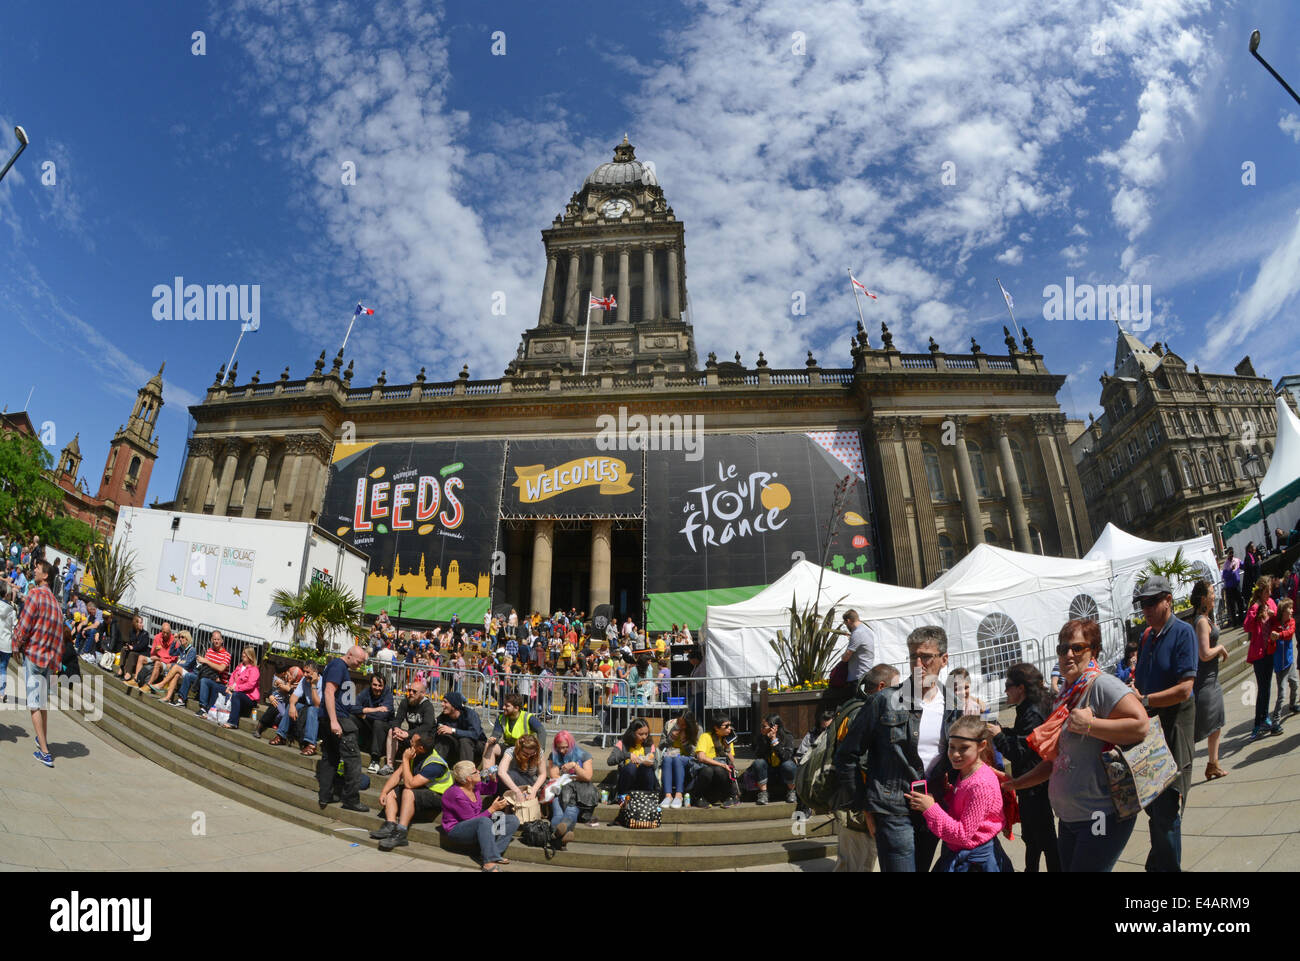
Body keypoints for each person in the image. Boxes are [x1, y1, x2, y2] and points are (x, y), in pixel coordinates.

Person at [1003, 618, 1149, 871]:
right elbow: (1055, 761)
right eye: (1063, 649)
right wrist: (1016, 784)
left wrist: (1092, 725)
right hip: (1070, 818)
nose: (1068, 654)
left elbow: (1141, 725)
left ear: (1094, 650)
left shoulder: (1101, 685)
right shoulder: (1066, 694)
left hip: (1099, 816)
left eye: (1077, 648)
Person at [832, 625, 961, 872]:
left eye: (926, 657)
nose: (919, 664)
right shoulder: (884, 700)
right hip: (891, 806)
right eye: (913, 657)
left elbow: (958, 758)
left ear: (944, 660)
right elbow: (847, 755)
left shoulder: (954, 705)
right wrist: (864, 805)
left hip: (931, 805)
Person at [1129, 575, 1198, 872]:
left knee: (1168, 808)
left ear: (1168, 600)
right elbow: (1140, 681)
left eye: (1152, 602)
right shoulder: (1147, 637)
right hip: (1150, 732)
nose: (1146, 608)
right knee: (1155, 807)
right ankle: (1158, 864)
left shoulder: (1183, 632)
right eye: (1142, 603)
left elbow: (1185, 689)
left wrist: (1145, 700)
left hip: (1174, 728)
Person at [906, 716, 1010, 872]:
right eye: (952, 747)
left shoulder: (980, 784)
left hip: (974, 862)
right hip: (961, 853)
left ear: (981, 746)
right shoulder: (966, 773)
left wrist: (930, 808)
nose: (955, 754)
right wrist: (948, 793)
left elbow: (962, 834)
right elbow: (963, 807)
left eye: (964, 748)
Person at [989, 663, 1058, 872]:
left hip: (1035, 785)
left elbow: (1019, 753)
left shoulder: (1032, 711)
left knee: (1046, 840)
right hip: (1033, 783)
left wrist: (998, 736)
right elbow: (1023, 738)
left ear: (1021, 688)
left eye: (1008, 685)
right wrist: (1004, 731)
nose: (1005, 690)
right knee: (1033, 838)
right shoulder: (1030, 706)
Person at [12, 559, 63, 767]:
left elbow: (25, 623)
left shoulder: (35, 595)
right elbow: (60, 635)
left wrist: (16, 644)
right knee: (42, 702)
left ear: (45, 576)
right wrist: (56, 662)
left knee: (34, 704)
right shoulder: (56, 603)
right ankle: (43, 739)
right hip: (49, 659)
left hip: (34, 655)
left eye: (37, 569)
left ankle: (45, 751)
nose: (34, 570)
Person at [370, 730, 452, 851]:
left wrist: (405, 759)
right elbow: (398, 775)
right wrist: (384, 792)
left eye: (412, 742)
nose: (410, 743)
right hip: (421, 789)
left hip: (438, 796)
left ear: (421, 748)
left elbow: (410, 784)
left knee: (408, 792)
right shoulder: (415, 753)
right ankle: (390, 825)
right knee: (392, 791)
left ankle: (401, 833)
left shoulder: (435, 764)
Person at [316, 644, 370, 813]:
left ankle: (326, 795)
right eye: (359, 661)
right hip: (337, 719)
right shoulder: (338, 666)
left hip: (332, 717)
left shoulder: (338, 666)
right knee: (353, 759)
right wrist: (333, 721)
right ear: (349, 655)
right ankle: (351, 799)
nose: (359, 665)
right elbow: (329, 692)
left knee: (330, 757)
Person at [437, 761, 519, 870]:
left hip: (477, 823)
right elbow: (471, 819)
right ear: (468, 778)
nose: (479, 772)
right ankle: (488, 863)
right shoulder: (455, 794)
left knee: (512, 820)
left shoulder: (474, 786)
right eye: (475, 771)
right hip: (458, 830)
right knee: (484, 821)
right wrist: (492, 809)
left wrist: (493, 781)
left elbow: (489, 790)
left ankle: (494, 853)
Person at [1190, 580, 1230, 780]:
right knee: (1199, 727)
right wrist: (1220, 648)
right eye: (1212, 593)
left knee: (1215, 723)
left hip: (1211, 679)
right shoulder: (1201, 621)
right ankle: (1180, 769)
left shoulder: (1205, 618)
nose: (1215, 595)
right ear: (1203, 597)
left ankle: (1212, 764)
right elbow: (1204, 654)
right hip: (1205, 681)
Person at [1245, 578, 1280, 740]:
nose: (1269, 594)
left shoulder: (1271, 603)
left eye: (1270, 591)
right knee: (1262, 688)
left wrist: (1273, 616)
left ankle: (1264, 718)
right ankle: (1258, 722)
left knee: (1266, 687)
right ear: (1260, 592)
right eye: (1267, 592)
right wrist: (1258, 613)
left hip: (1270, 651)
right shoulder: (1256, 607)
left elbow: (1278, 622)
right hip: (1259, 654)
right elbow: (1247, 626)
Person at [548, 730, 597, 841]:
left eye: (565, 747)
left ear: (571, 745)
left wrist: (574, 766)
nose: (561, 750)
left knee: (571, 811)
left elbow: (588, 776)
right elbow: (553, 775)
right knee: (558, 814)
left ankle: (555, 836)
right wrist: (572, 776)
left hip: (577, 793)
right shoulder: (554, 755)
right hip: (559, 790)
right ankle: (563, 837)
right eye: (558, 747)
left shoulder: (584, 755)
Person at [381, 678, 438, 774]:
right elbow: (397, 719)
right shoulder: (405, 702)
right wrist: (397, 728)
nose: (410, 693)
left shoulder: (428, 706)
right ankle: (389, 765)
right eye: (409, 690)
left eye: (414, 691)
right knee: (392, 731)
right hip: (411, 736)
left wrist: (408, 733)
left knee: (416, 738)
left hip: (424, 739)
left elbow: (427, 726)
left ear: (422, 694)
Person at [482, 692, 547, 771]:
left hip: (524, 749)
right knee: (489, 745)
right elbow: (496, 735)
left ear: (516, 708)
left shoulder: (528, 717)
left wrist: (539, 750)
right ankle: (488, 775)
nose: (503, 707)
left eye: (507, 706)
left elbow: (542, 731)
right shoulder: (501, 718)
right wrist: (492, 739)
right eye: (504, 705)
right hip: (509, 747)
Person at [270, 662, 322, 751]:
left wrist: (313, 685)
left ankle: (311, 745)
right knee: (293, 704)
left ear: (315, 672)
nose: (304, 674)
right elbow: (294, 695)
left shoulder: (322, 682)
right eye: (304, 671)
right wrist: (292, 706)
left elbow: (317, 705)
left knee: (312, 710)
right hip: (308, 706)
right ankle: (281, 735)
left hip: (320, 709)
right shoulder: (304, 680)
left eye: (308, 672)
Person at [692, 713, 739, 808]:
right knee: (709, 770)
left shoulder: (728, 739)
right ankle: (698, 798)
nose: (729, 728)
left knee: (719, 770)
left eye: (730, 725)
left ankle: (730, 797)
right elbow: (701, 757)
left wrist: (727, 748)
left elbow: (731, 760)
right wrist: (721, 764)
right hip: (707, 772)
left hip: (721, 775)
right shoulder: (705, 736)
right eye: (726, 726)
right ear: (716, 728)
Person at [608, 717, 659, 800]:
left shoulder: (649, 745)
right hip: (627, 780)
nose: (644, 737)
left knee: (647, 769)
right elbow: (610, 761)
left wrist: (650, 762)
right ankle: (623, 795)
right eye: (641, 734)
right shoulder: (622, 743)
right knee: (631, 766)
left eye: (646, 734)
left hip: (644, 780)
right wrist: (627, 755)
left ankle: (649, 795)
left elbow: (656, 764)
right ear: (632, 733)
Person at [751, 714, 798, 805]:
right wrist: (766, 740)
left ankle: (791, 791)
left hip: (783, 771)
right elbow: (758, 755)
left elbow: (786, 757)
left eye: (764, 726)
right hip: (768, 772)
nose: (761, 728)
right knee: (758, 763)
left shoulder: (787, 737)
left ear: (774, 727)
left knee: (789, 765)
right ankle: (763, 793)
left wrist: (774, 740)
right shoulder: (761, 737)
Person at [659, 710, 699, 808]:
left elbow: (697, 753)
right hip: (671, 756)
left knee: (678, 759)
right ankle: (668, 795)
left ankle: (679, 795)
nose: (680, 726)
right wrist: (670, 738)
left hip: (688, 759)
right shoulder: (669, 725)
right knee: (667, 759)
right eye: (678, 723)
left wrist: (685, 742)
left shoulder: (697, 729)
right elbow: (660, 746)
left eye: (683, 725)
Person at [433, 691, 485, 767]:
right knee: (443, 738)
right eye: (442, 702)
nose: (442, 704)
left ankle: (466, 771)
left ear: (454, 705)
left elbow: (475, 734)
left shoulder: (470, 714)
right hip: (458, 746)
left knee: (464, 740)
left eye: (445, 702)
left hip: (478, 744)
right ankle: (434, 768)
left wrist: (453, 730)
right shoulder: (443, 716)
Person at [355, 674, 394, 772]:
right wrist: (373, 709)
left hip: (384, 727)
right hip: (369, 725)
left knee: (378, 722)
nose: (377, 688)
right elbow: (352, 708)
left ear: (384, 686)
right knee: (351, 717)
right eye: (374, 685)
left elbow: (383, 716)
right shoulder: (366, 692)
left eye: (380, 685)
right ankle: (350, 749)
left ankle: (375, 760)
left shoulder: (388, 694)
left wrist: (364, 714)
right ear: (370, 684)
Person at [1270, 599, 1298, 732]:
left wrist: (1278, 635)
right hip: (1279, 665)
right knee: (1281, 693)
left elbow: (1289, 634)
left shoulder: (1291, 622)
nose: (1292, 611)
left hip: (1289, 662)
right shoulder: (1275, 622)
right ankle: (1275, 721)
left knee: (1295, 684)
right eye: (1289, 608)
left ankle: (1292, 704)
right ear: (1283, 611)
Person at [218, 648, 262, 730]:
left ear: (250, 656)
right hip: (235, 692)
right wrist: (229, 687)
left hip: (249, 697)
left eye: (245, 653)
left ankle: (232, 722)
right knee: (219, 688)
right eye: (243, 652)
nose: (243, 654)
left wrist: (235, 688)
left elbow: (250, 685)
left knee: (236, 695)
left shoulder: (254, 669)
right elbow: (232, 677)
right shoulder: (240, 666)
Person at [193, 632, 233, 717]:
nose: (216, 641)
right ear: (211, 640)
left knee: (204, 680)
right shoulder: (209, 650)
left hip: (219, 682)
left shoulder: (227, 655)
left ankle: (203, 707)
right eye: (214, 639)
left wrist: (206, 661)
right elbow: (205, 666)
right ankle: (181, 699)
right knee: (188, 676)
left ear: (222, 641)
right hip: (208, 676)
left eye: (218, 639)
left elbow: (221, 668)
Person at [499, 733, 546, 803]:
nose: (529, 756)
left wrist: (534, 790)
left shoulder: (539, 752)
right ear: (519, 749)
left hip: (531, 782)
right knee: (510, 774)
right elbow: (501, 772)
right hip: (514, 782)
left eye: (532, 754)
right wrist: (517, 791)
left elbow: (542, 774)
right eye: (526, 754)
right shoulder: (511, 751)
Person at [155, 630, 199, 705]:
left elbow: (187, 665)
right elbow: (171, 653)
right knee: (176, 675)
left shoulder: (192, 650)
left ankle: (162, 684)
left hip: (190, 673)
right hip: (182, 671)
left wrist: (174, 666)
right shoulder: (181, 649)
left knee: (174, 667)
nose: (180, 639)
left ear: (187, 638)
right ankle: (168, 697)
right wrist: (174, 642)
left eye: (182, 637)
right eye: (179, 637)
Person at [839, 609, 876, 683]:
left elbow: (846, 657)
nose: (846, 626)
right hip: (866, 672)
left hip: (858, 676)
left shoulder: (857, 633)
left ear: (848, 621)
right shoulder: (867, 630)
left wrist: (842, 657)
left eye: (845, 624)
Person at [116, 614, 152, 682]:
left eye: (142, 623)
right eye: (140, 623)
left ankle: (128, 674)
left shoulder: (145, 634)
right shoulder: (132, 632)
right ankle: (121, 669)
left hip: (141, 653)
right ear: (136, 624)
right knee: (123, 649)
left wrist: (133, 647)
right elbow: (131, 642)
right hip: (134, 650)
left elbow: (142, 646)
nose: (142, 625)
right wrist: (128, 646)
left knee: (132, 654)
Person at [0, 580, 15, 704]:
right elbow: (15, 628)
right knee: (3, 668)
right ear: (7, 595)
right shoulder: (12, 611)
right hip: (6, 643)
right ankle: (1, 693)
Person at [1222, 547, 1245, 625]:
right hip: (1230, 587)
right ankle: (1234, 621)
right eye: (1230, 553)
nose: (1231, 555)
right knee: (1232, 605)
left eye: (1232, 553)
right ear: (1227, 554)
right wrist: (1230, 570)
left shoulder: (1237, 560)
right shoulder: (1225, 565)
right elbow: (1224, 576)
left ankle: (1241, 619)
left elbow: (1244, 566)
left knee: (1240, 602)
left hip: (1237, 585)